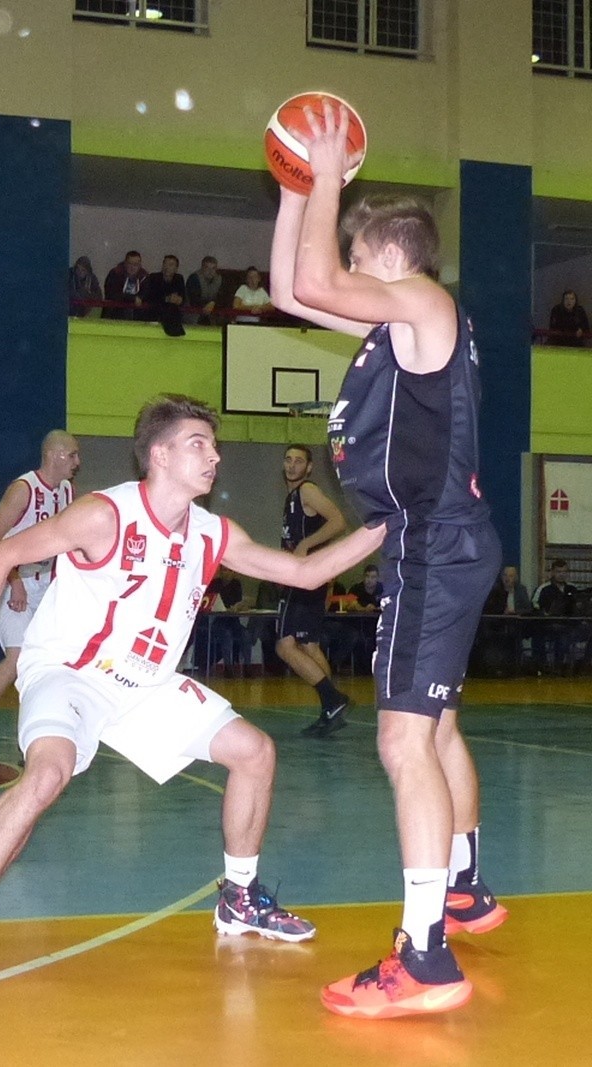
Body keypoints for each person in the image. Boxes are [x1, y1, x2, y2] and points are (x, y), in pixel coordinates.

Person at [0, 394, 384, 984]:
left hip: (145, 683)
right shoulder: (104, 514)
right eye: (200, 444)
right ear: (160, 455)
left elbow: (305, 572)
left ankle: (238, 898)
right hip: (70, 671)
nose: (215, 456)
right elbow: (5, 553)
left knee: (255, 752)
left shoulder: (213, 533)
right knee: (47, 773)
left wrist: (385, 526)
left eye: (213, 445)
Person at [270, 103, 507, 1019]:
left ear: (390, 258)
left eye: (359, 253)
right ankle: (464, 889)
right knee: (436, 728)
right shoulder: (397, 325)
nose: (346, 270)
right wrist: (297, 187)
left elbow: (323, 278)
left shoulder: (423, 303)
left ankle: (426, 959)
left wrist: (330, 171)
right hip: (443, 544)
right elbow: (298, 288)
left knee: (402, 739)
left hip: (433, 549)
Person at [0, 431, 80, 761]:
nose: (77, 463)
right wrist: (14, 580)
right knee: (18, 659)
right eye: (73, 456)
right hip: (14, 582)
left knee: (51, 661)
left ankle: (45, 734)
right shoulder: (23, 490)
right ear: (55, 455)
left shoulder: (67, 492)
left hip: (47, 585)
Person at [276, 444, 349, 737]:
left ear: (308, 468)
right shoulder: (292, 497)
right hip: (310, 577)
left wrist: (306, 545)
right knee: (308, 646)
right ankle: (331, 708)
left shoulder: (307, 491)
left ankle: (332, 700)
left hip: (305, 576)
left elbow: (339, 521)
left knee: (284, 645)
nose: (292, 465)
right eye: (288, 459)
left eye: (298, 461)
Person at [531, 558, 586, 673]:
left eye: (564, 572)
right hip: (549, 625)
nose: (562, 575)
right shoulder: (543, 589)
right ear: (552, 572)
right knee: (544, 633)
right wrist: (545, 614)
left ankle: (583, 665)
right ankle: (549, 665)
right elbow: (535, 607)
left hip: (569, 625)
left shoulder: (573, 589)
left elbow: (579, 608)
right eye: (558, 572)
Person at [144, 254, 186, 337]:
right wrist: (166, 299)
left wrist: (179, 299)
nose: (167, 267)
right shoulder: (154, 277)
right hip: (155, 314)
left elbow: (183, 296)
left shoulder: (179, 278)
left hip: (173, 313)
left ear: (176, 268)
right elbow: (149, 296)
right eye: (165, 264)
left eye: (170, 265)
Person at [103, 250, 148, 320]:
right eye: (130, 264)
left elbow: (147, 294)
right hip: (113, 315)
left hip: (137, 319)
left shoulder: (144, 277)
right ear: (125, 263)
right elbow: (111, 294)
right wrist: (133, 298)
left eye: (135, 265)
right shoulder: (115, 273)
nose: (132, 267)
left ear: (140, 265)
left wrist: (141, 297)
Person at [185, 255, 222, 325]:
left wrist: (213, 303)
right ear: (202, 268)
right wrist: (209, 304)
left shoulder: (219, 279)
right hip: (192, 315)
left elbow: (222, 297)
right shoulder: (194, 278)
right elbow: (194, 300)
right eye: (207, 268)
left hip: (210, 315)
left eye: (213, 268)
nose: (210, 271)